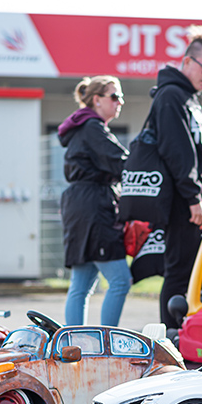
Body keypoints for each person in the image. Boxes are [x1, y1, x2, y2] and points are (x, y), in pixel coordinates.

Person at [148, 25, 202, 327]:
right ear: (186, 61)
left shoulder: (189, 98)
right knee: (180, 273)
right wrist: (194, 198)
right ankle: (170, 341)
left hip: (197, 200)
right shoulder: (172, 96)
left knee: (200, 272)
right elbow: (177, 152)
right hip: (183, 203)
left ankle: (195, 335)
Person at [58, 75, 133, 326]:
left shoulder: (83, 127)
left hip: (78, 205)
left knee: (80, 286)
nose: (120, 102)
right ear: (97, 100)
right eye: (115, 96)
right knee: (120, 281)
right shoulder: (93, 127)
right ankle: (108, 342)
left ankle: (72, 342)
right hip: (94, 206)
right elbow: (120, 162)